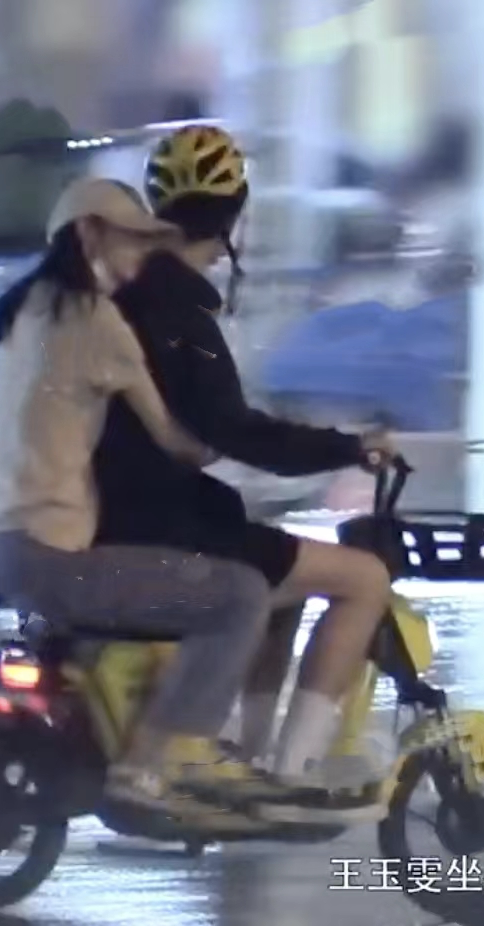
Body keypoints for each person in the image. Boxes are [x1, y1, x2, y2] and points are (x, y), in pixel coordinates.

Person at [94, 127, 396, 820]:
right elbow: (234, 430)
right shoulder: (180, 311)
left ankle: (246, 756)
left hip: (128, 505)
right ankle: (291, 776)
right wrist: (349, 448)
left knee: (284, 579)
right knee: (363, 579)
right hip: (162, 523)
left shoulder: (130, 296)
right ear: (235, 216)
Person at [0, 176, 275, 814]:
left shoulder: (16, 313)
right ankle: (156, 763)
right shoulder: (97, 319)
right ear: (89, 235)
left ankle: (122, 738)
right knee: (240, 595)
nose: (142, 254)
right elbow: (177, 441)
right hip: (50, 555)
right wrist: (230, 441)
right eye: (131, 239)